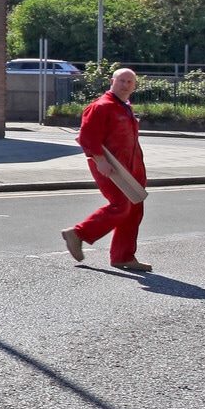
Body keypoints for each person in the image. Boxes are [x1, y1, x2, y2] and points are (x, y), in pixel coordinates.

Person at [62, 67, 151, 273]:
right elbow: (88, 136)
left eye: (130, 82)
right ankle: (77, 234)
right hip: (110, 166)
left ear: (135, 85)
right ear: (112, 81)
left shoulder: (125, 106)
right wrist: (100, 160)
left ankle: (123, 257)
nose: (126, 85)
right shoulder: (101, 106)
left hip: (131, 166)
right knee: (121, 205)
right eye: (122, 81)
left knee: (134, 209)